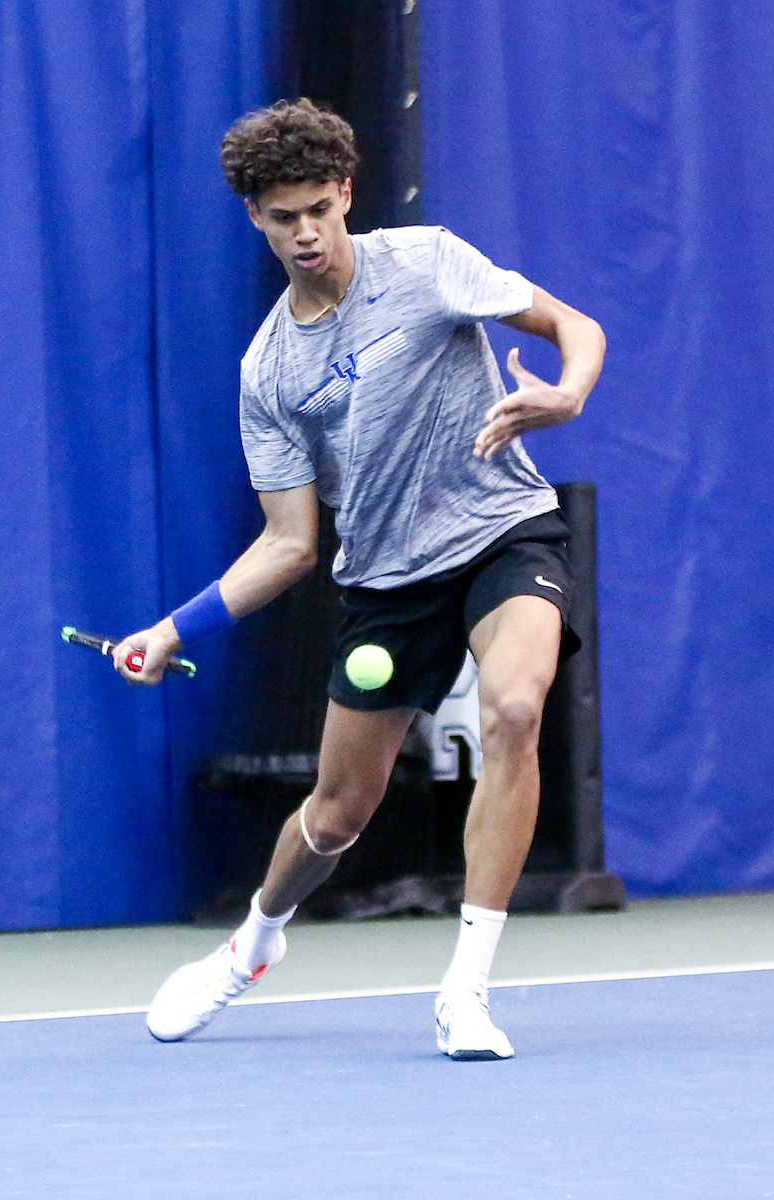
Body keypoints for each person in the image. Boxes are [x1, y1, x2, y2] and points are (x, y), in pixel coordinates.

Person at [113, 99, 606, 1061]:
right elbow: (289, 544)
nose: (305, 232)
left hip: (503, 530)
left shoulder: (427, 261)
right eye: (282, 216)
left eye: (317, 208)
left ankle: (465, 989)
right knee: (338, 815)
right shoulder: (268, 371)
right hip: (386, 581)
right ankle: (255, 942)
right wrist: (173, 629)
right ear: (255, 218)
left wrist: (568, 392)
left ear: (346, 193)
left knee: (515, 707)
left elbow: (572, 325)